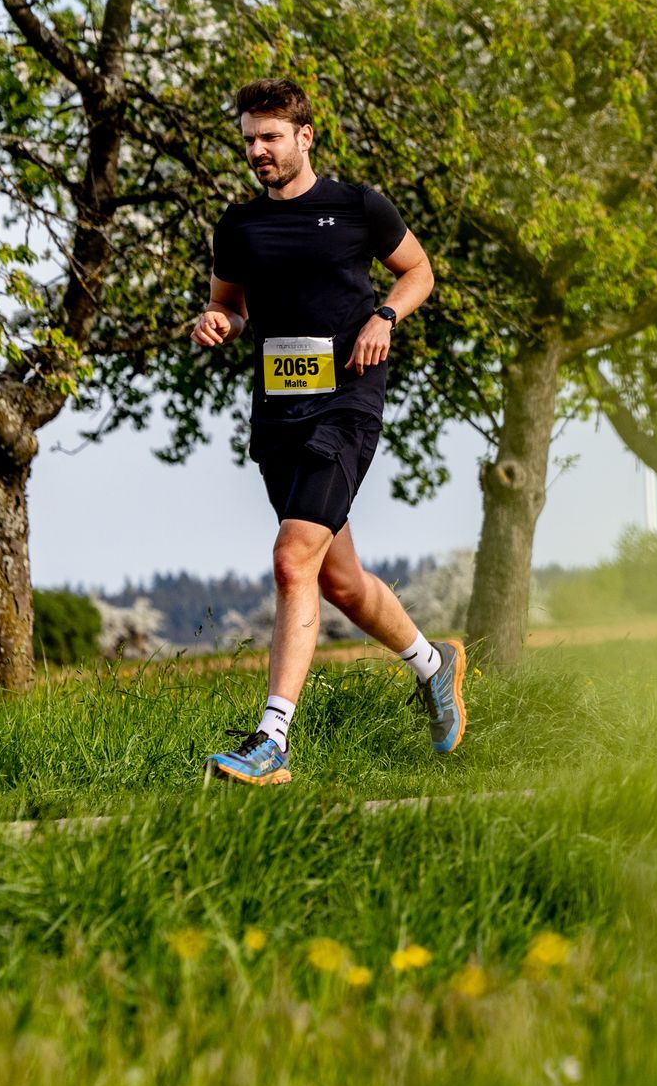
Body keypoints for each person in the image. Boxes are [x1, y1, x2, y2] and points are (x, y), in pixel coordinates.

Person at [192, 78, 465, 785]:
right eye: (249, 138)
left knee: (291, 559)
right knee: (338, 580)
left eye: (270, 137)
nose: (257, 150)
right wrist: (218, 321)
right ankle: (434, 665)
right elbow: (230, 303)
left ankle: (272, 739)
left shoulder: (356, 206)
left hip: (347, 403)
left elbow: (418, 271)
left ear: (304, 137)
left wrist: (386, 316)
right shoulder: (238, 226)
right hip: (278, 412)